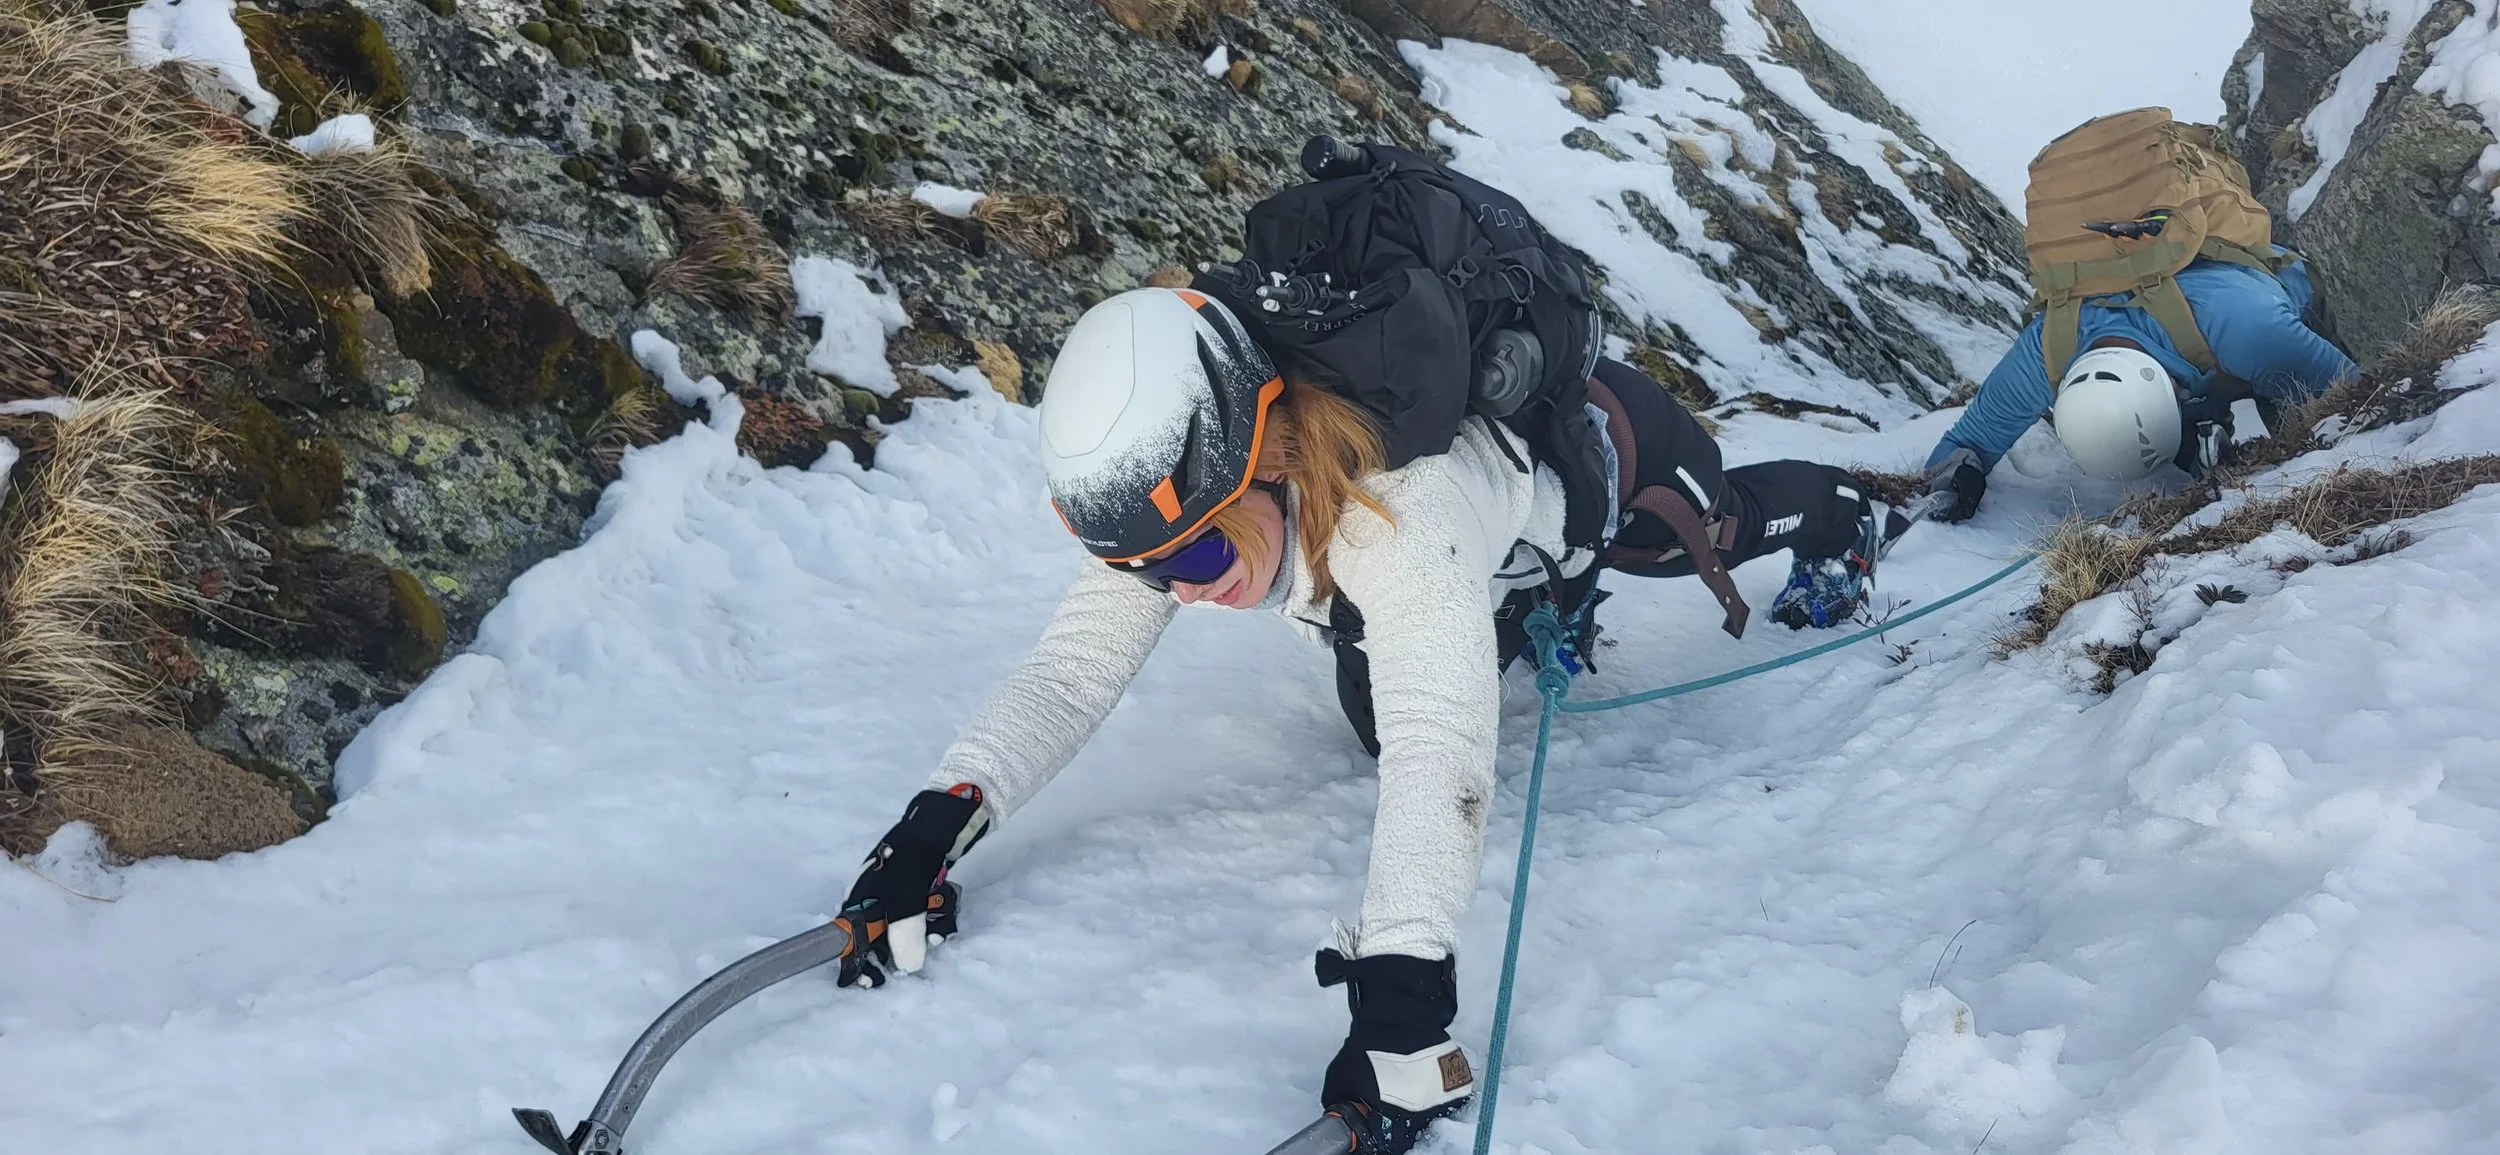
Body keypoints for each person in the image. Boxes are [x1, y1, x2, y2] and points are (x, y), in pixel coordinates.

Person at [825, 287, 1910, 1152]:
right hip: (1455, 555)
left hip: (1606, 445)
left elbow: (1445, 751)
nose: (1178, 587)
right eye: (1142, 569)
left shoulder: (1402, 511)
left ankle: (1836, 514)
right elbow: (1067, 677)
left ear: (1275, 457)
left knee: (1691, 531)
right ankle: (1544, 600)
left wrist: (1401, 1005)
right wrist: (931, 828)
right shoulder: (1178, 498)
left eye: (1199, 555)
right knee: (1376, 711)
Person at [1923, 250, 2356, 521]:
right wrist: (1954, 485)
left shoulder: (2252, 331)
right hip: (2193, 349)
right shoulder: (2046, 349)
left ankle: (2207, 430)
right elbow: (1968, 442)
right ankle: (2199, 443)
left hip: (2268, 285)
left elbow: (2362, 400)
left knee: (2308, 431)